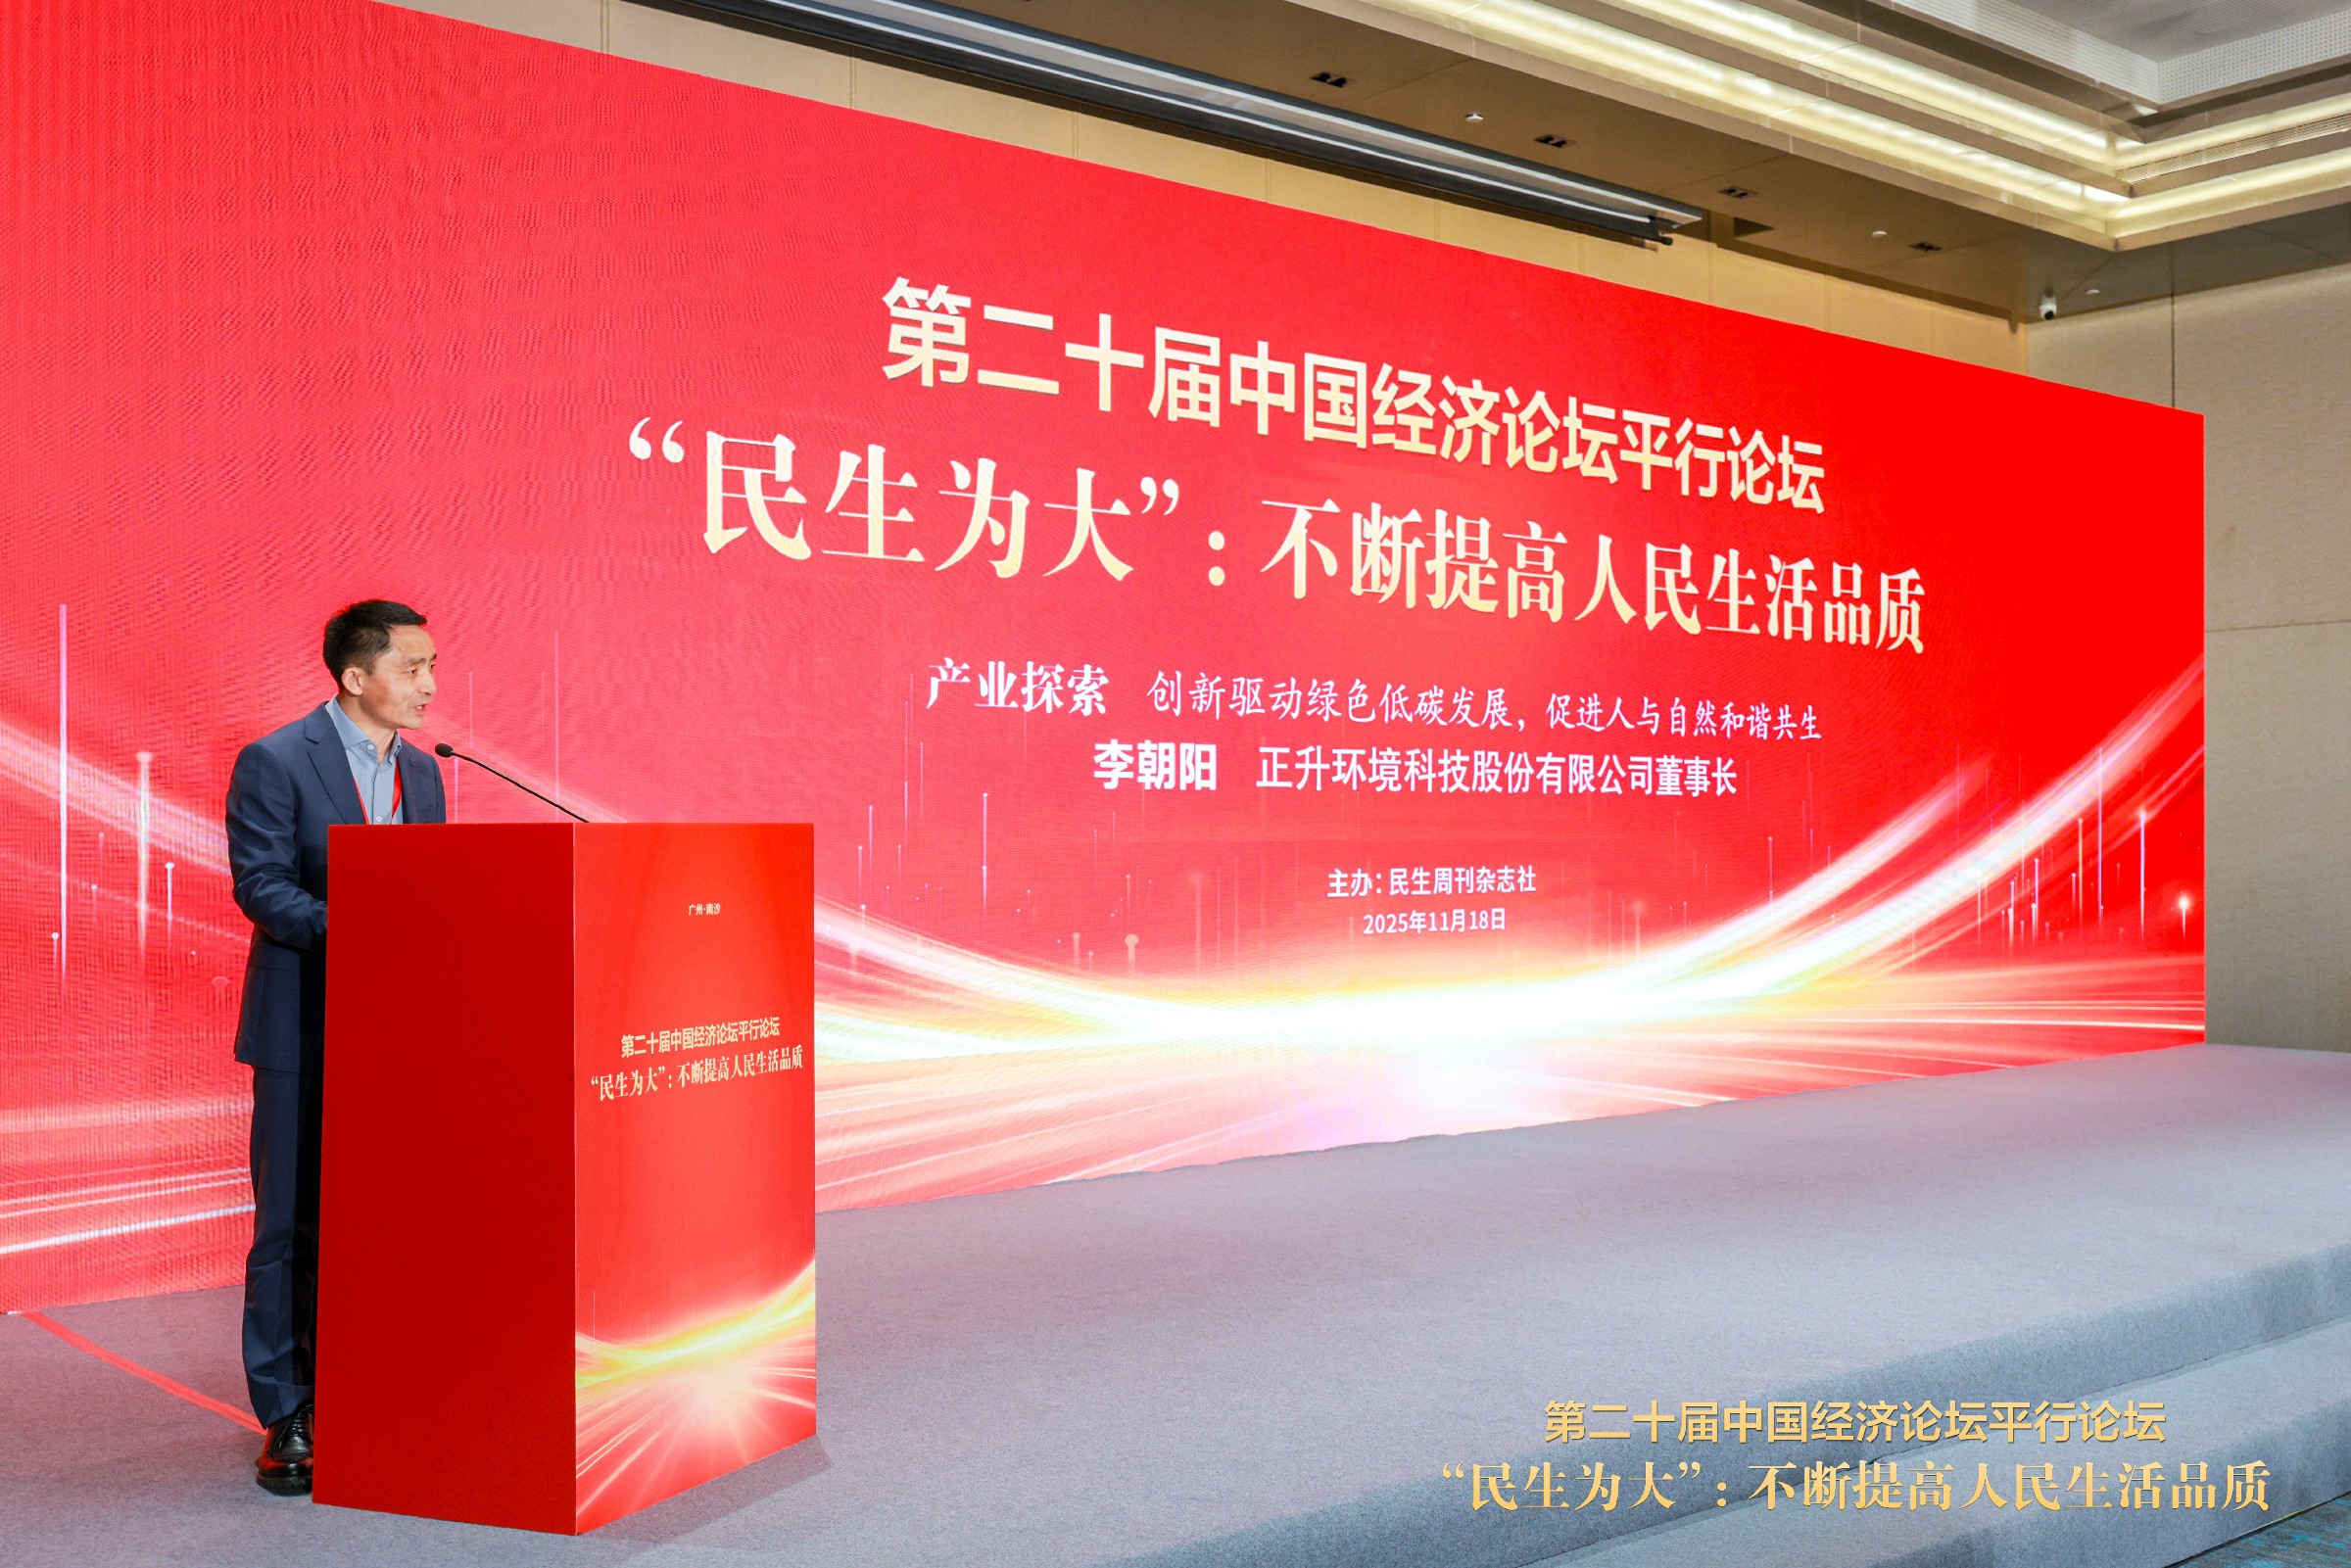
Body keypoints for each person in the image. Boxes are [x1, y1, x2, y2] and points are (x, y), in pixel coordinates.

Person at [223, 600, 446, 1496]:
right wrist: (370, 932)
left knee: (383, 1216)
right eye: (412, 667)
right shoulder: (276, 759)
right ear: (356, 677)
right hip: (301, 1024)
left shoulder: (424, 773)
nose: (428, 685)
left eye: (432, 666)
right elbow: (262, 886)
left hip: (397, 1031)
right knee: (290, 1221)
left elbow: (434, 891)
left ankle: (376, 1382)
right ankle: (290, 1411)